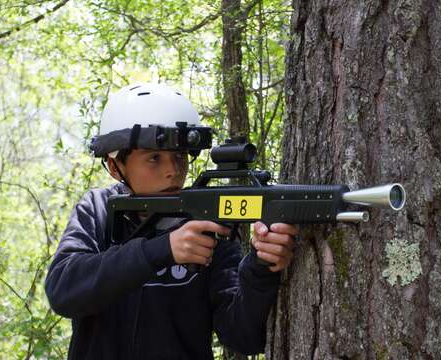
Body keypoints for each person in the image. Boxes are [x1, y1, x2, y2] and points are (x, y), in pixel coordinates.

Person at [45, 83, 299, 359]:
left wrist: (260, 266)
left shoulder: (208, 222)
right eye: (154, 158)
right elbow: (63, 290)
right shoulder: (99, 209)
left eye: (179, 157)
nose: (172, 171)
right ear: (115, 165)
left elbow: (243, 337)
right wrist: (161, 250)